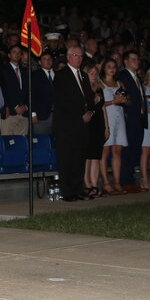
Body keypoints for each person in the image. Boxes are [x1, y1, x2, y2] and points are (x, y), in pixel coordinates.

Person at [51, 45, 96, 202]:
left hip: (83, 125)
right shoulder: (61, 76)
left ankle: (77, 188)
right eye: (75, 55)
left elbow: (89, 98)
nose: (78, 58)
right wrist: (79, 117)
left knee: (79, 157)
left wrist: (91, 111)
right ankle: (67, 191)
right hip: (67, 125)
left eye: (80, 56)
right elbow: (62, 102)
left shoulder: (83, 76)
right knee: (67, 158)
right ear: (69, 57)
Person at [118, 51, 147, 190]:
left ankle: (129, 179)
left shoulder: (138, 78)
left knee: (135, 149)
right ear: (126, 62)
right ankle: (125, 181)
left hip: (139, 117)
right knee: (128, 150)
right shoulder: (123, 76)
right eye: (133, 58)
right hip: (130, 118)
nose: (137, 61)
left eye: (137, 58)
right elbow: (123, 95)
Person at [100, 58, 129, 194]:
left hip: (119, 118)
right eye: (109, 66)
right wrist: (113, 101)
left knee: (117, 151)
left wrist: (124, 100)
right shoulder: (100, 84)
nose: (112, 69)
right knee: (105, 152)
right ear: (104, 68)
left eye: (114, 67)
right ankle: (106, 183)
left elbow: (129, 101)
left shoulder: (119, 83)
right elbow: (98, 104)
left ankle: (117, 182)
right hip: (107, 119)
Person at [83, 59, 106, 197]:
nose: (93, 75)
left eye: (95, 73)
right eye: (90, 73)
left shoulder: (99, 88)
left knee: (96, 156)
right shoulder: (84, 89)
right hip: (88, 124)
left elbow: (103, 109)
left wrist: (106, 127)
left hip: (99, 123)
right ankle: (87, 184)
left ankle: (94, 184)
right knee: (87, 156)